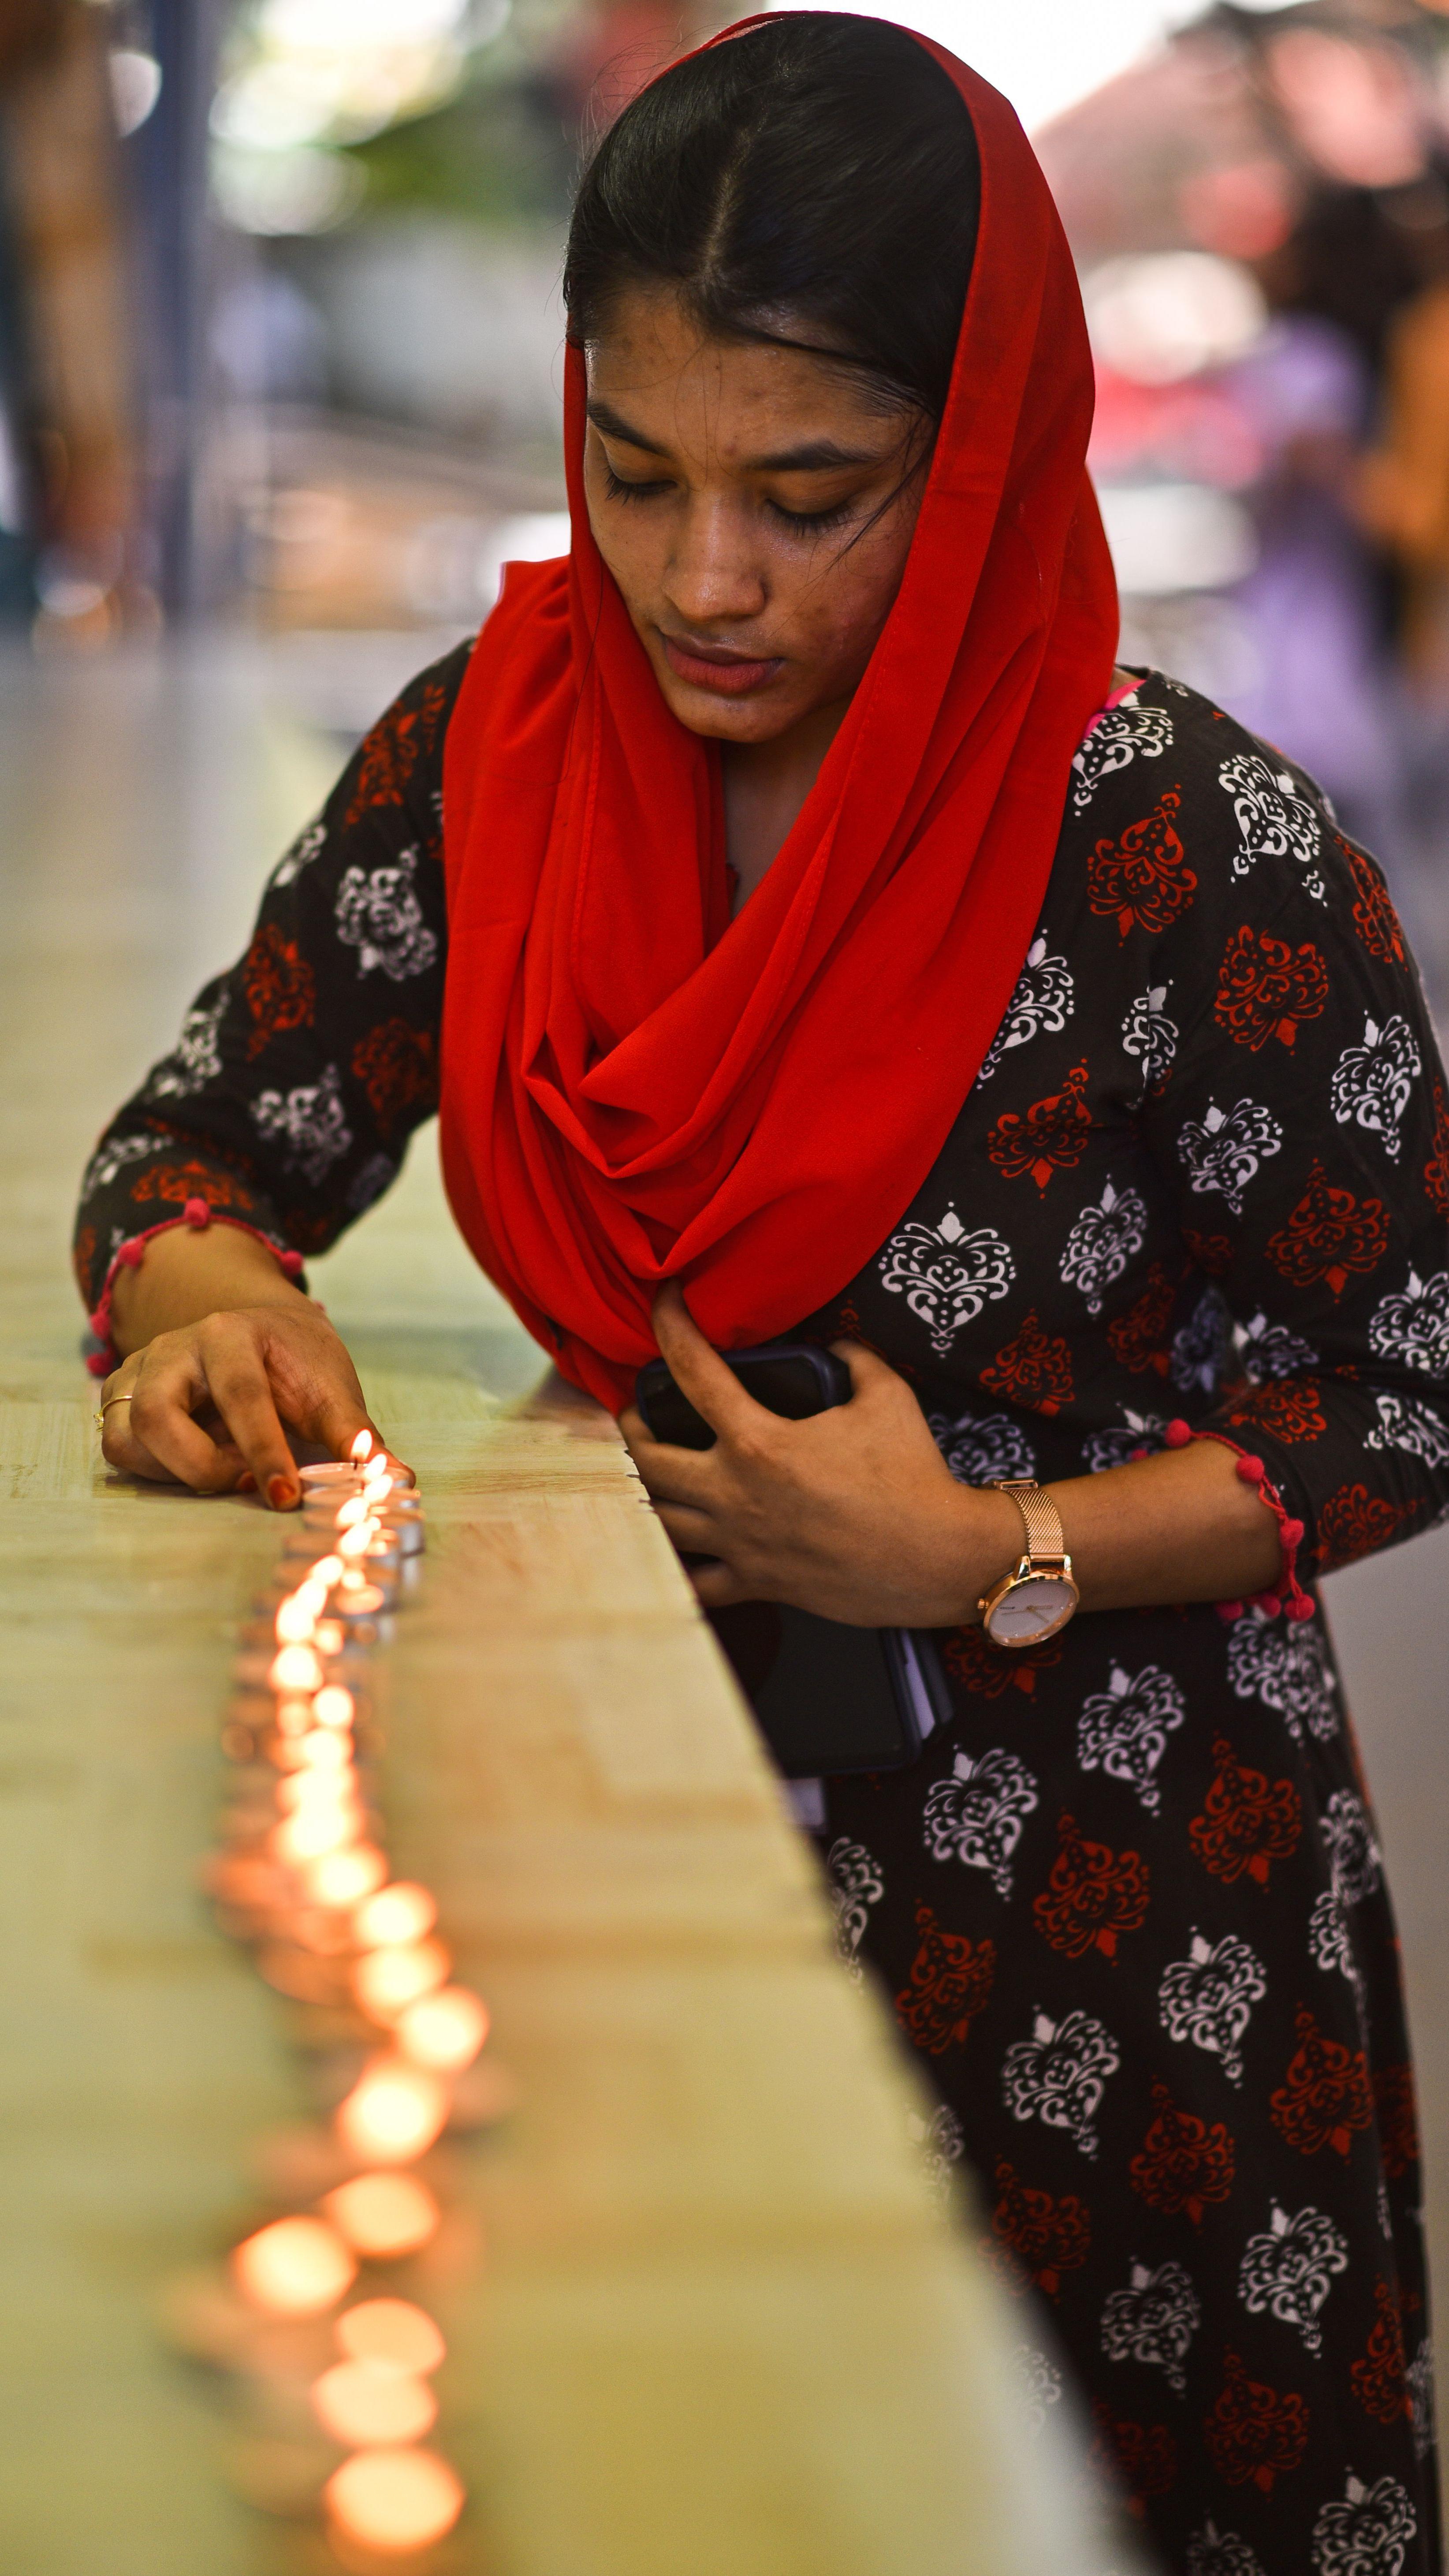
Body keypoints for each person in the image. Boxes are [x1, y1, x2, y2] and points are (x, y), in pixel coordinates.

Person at [74, 16, 1447, 2568]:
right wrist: (208, 1314)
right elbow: (195, 1153)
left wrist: (990, 1550)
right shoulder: (494, 763)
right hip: (611, 1863)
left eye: (811, 498)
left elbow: (1403, 1385)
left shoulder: (1190, 858)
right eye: (638, 475)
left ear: (984, 445)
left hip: (1113, 1936)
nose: (704, 582)